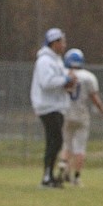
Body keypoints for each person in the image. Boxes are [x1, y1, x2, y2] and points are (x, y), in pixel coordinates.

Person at [30, 27, 78, 188]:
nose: (64, 45)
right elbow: (47, 82)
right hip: (47, 105)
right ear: (54, 43)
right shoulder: (45, 61)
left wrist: (68, 83)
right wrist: (65, 79)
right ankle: (46, 177)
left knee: (56, 141)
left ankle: (49, 175)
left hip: (56, 105)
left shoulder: (56, 60)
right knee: (54, 141)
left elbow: (57, 81)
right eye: (61, 41)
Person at [59, 47, 103, 186]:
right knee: (80, 147)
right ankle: (76, 177)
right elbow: (94, 97)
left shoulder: (62, 74)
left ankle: (63, 164)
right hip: (81, 114)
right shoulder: (88, 77)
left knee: (66, 144)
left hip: (65, 112)